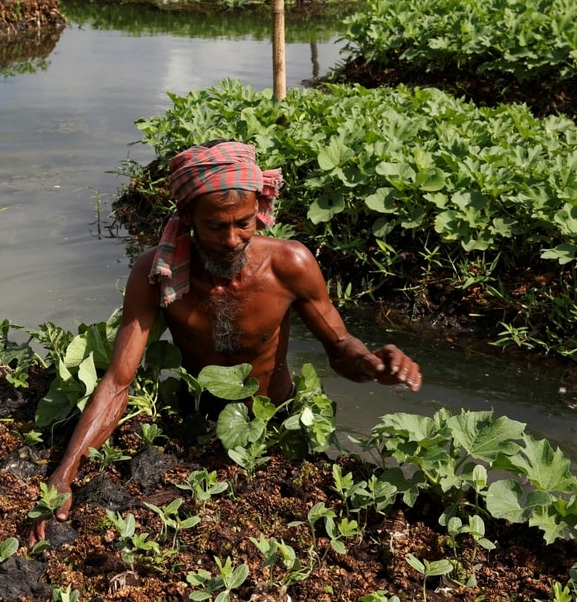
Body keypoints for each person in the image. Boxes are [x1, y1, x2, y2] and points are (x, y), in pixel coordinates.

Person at [30, 140, 422, 541]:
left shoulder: (290, 265)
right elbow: (118, 382)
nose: (232, 239)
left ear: (258, 212)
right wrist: (64, 474)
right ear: (188, 217)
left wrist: (372, 366)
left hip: (274, 426)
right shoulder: (157, 273)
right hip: (196, 422)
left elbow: (340, 348)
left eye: (244, 223)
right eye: (216, 226)